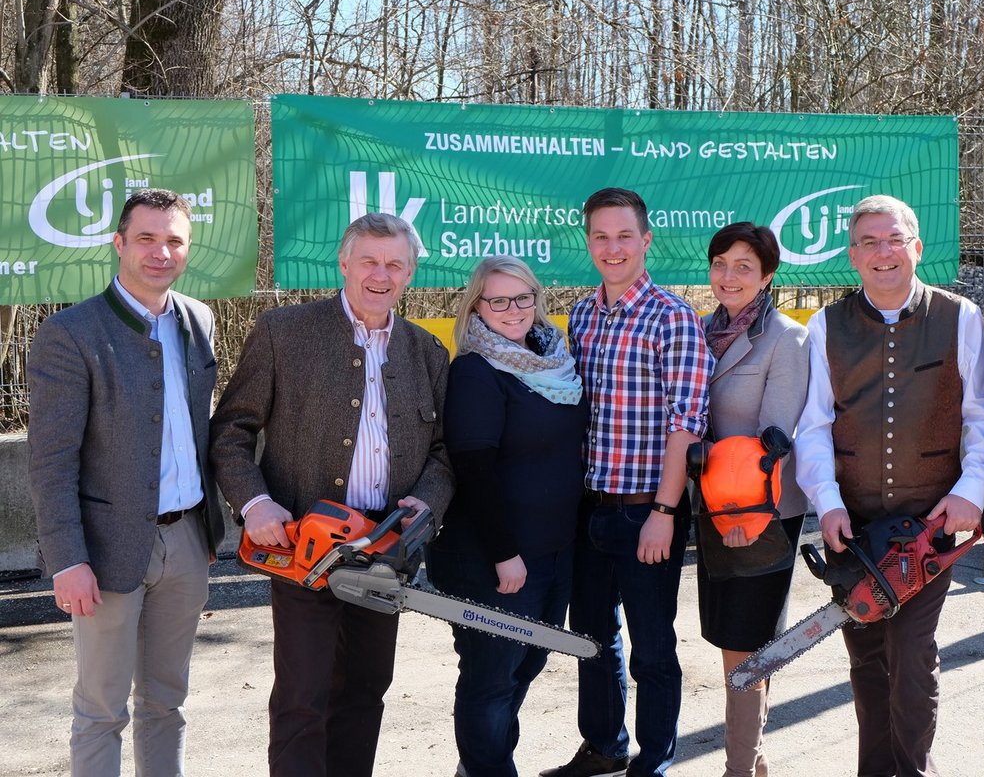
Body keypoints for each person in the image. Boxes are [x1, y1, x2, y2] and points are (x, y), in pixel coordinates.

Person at [209, 212, 453, 777]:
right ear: (344, 263)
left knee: (366, 688)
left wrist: (427, 503)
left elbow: (443, 451)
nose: (380, 275)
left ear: (410, 273)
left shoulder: (426, 352)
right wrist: (254, 502)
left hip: (386, 546)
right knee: (302, 695)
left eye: (395, 264)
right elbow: (231, 431)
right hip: (304, 544)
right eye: (369, 261)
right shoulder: (284, 332)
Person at [27, 188, 225, 777]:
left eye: (174, 241)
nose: (161, 252)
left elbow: (200, 432)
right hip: (104, 550)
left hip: (187, 541)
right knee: (101, 710)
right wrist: (67, 559)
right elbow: (51, 460)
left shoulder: (200, 320)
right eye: (146, 238)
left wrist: (207, 532)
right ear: (118, 243)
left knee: (167, 702)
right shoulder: (71, 332)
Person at [795, 194, 984, 777]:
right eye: (869, 242)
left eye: (894, 240)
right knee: (867, 659)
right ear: (853, 256)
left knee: (911, 656)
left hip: (929, 527)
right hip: (854, 528)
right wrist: (827, 503)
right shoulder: (825, 326)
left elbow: (981, 415)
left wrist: (971, 490)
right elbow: (813, 425)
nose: (884, 252)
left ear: (917, 248)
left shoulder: (960, 317)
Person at [541, 188, 712, 777]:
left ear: (646, 240)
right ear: (588, 242)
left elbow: (686, 425)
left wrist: (664, 512)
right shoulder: (582, 315)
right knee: (591, 637)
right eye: (600, 236)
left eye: (623, 236)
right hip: (589, 508)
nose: (612, 248)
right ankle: (604, 746)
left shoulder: (672, 317)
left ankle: (654, 760)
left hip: (647, 510)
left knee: (653, 646)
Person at [428, 256, 588, 777]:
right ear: (477, 306)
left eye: (522, 297)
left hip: (552, 548)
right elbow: (474, 471)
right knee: (491, 678)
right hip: (493, 557)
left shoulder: (554, 361)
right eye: (498, 300)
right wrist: (504, 554)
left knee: (528, 661)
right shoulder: (476, 371)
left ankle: (478, 765)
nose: (513, 309)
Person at [694, 222, 809, 777]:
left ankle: (738, 767)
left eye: (745, 266)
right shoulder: (698, 330)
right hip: (709, 505)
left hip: (756, 510)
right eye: (720, 263)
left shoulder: (786, 338)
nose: (729, 276)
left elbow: (775, 439)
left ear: (767, 276)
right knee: (733, 640)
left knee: (744, 643)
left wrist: (747, 516)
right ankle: (754, 761)